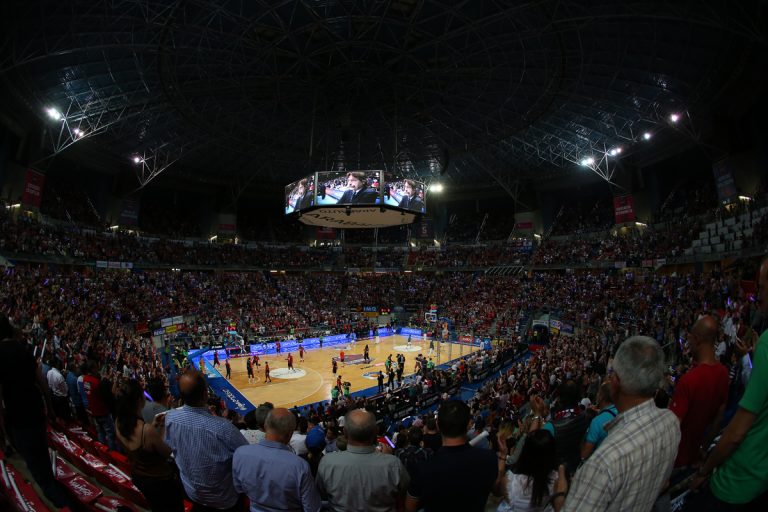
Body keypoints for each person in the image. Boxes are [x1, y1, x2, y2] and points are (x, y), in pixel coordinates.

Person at [550, 336, 680, 512]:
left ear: (616, 382)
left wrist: (559, 495)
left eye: (611, 374)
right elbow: (663, 482)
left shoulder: (603, 463)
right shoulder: (672, 422)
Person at [688, 257, 768, 509]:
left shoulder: (766, 343)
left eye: (761, 286)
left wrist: (705, 469)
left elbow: (736, 433)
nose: (757, 294)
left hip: (738, 480)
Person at [0, 317, 72, 508]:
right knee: (43, 461)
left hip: (18, 419)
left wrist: (5, 435)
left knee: (40, 473)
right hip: (36, 411)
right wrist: (50, 409)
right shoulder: (23, 349)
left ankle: (64, 502)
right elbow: (42, 384)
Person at [163, 370, 248, 511]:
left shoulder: (170, 418)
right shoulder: (223, 427)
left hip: (192, 493)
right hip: (224, 500)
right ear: (205, 394)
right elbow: (247, 456)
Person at [406, 401, 498, 511]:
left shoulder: (423, 468)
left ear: (438, 425)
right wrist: (502, 457)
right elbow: (497, 490)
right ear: (469, 425)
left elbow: (410, 507)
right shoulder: (489, 458)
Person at [316, 409, 410, 511]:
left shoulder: (327, 462)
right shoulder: (394, 464)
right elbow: (404, 491)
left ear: (344, 432)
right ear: (376, 431)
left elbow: (321, 492)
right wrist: (389, 458)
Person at [115, 379, 184, 512]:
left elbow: (141, 446)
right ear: (138, 401)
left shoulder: (119, 422)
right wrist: (163, 428)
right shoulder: (146, 431)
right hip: (161, 482)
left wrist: (154, 425)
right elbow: (167, 452)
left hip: (140, 477)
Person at [669, 315, 729, 469]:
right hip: (696, 457)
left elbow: (672, 428)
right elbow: (719, 417)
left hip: (677, 460)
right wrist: (703, 447)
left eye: (689, 338)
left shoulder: (689, 380)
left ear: (697, 339)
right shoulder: (723, 373)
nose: (688, 342)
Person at [233, 408, 321, 512]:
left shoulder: (240, 453)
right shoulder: (299, 466)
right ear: (290, 433)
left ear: (265, 426)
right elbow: (312, 508)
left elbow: (239, 489)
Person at [497, 430, 557, 512]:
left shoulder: (512, 484)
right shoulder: (557, 479)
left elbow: (497, 490)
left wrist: (503, 455)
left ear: (525, 452)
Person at [580, 382, 617, 461]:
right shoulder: (620, 410)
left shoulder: (597, 422)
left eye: (598, 393)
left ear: (601, 397)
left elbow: (584, 455)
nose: (597, 395)